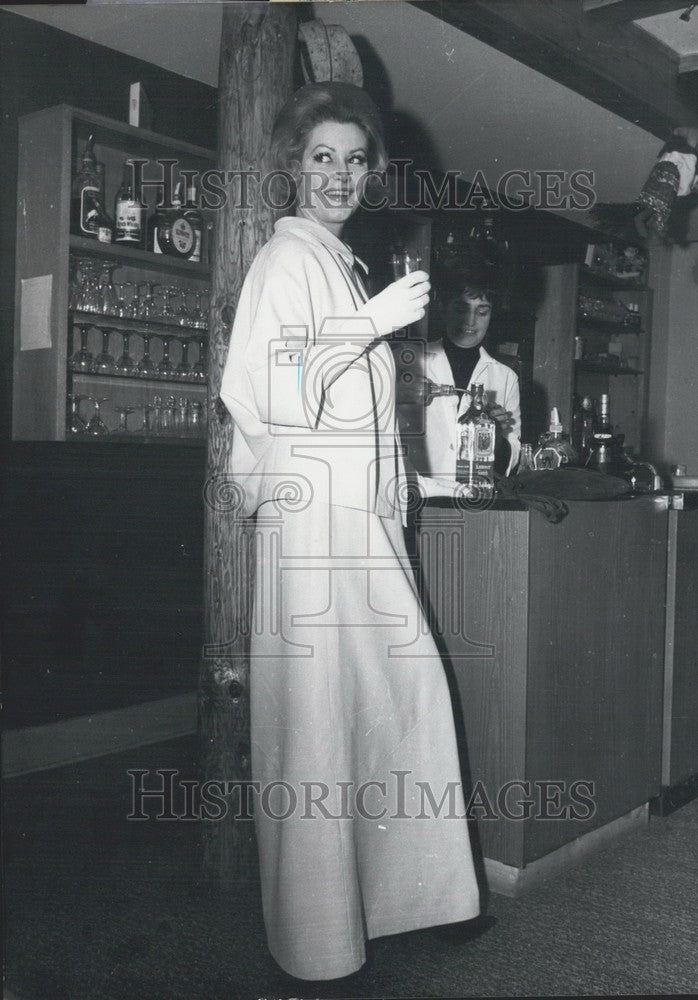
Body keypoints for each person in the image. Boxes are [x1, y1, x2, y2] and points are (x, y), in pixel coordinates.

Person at [219, 82, 480, 982]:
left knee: (397, 698)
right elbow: (276, 395)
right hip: (310, 530)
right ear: (293, 166)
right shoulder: (281, 262)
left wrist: (403, 494)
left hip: (358, 523)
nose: (337, 174)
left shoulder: (340, 263)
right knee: (322, 724)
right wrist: (373, 323)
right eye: (320, 157)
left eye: (354, 159)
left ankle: (417, 897)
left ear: (372, 173)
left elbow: (364, 415)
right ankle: (320, 939)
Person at [399, 265, 521, 479]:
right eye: (461, 309)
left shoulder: (505, 377)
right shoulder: (406, 359)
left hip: (473, 499)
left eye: (482, 311)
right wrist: (396, 394)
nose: (471, 321)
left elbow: (510, 461)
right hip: (414, 494)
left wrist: (497, 437)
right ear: (443, 308)